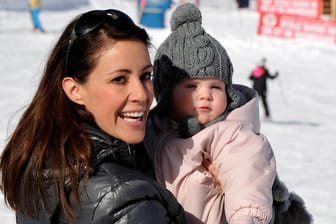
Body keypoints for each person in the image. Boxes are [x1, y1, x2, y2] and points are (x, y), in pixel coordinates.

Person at [0, 9, 186, 223]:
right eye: (119, 79)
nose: (142, 94)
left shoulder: (44, 157)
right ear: (74, 90)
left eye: (145, 76)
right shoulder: (128, 202)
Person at [145, 3, 312, 224]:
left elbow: (247, 181)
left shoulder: (230, 135)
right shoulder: (150, 130)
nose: (206, 95)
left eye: (215, 87)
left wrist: (245, 218)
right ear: (166, 93)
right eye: (192, 87)